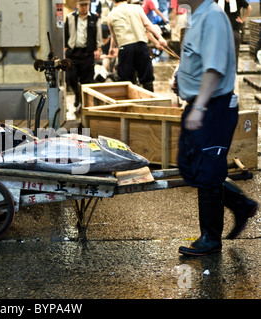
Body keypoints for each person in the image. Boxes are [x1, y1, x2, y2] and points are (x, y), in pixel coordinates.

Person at [174, 0, 258, 256]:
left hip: (213, 105)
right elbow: (196, 60)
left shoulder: (212, 17)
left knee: (207, 170)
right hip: (200, 102)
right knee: (189, 164)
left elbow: (215, 67)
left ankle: (211, 238)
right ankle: (241, 204)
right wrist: (181, 80)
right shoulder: (196, 16)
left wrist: (199, 106)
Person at [107, 0, 167, 92]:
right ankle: (151, 102)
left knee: (125, 80)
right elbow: (147, 24)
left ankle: (128, 104)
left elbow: (114, 35)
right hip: (141, 45)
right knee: (147, 78)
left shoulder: (111, 15)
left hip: (125, 48)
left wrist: (113, 48)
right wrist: (160, 38)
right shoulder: (137, 8)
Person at [65, 0, 103, 108]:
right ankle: (77, 95)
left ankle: (83, 104)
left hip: (87, 53)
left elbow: (98, 35)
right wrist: (65, 48)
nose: (84, 7)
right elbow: (66, 32)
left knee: (86, 81)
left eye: (86, 5)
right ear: (77, 5)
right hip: (73, 53)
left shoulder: (94, 19)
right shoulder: (70, 17)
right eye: (82, 5)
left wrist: (98, 48)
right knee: (70, 78)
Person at [216, 0, 252, 69]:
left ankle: (233, 73)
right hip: (222, 30)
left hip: (234, 29)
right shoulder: (218, 1)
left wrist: (242, 19)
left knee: (234, 54)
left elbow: (249, 7)